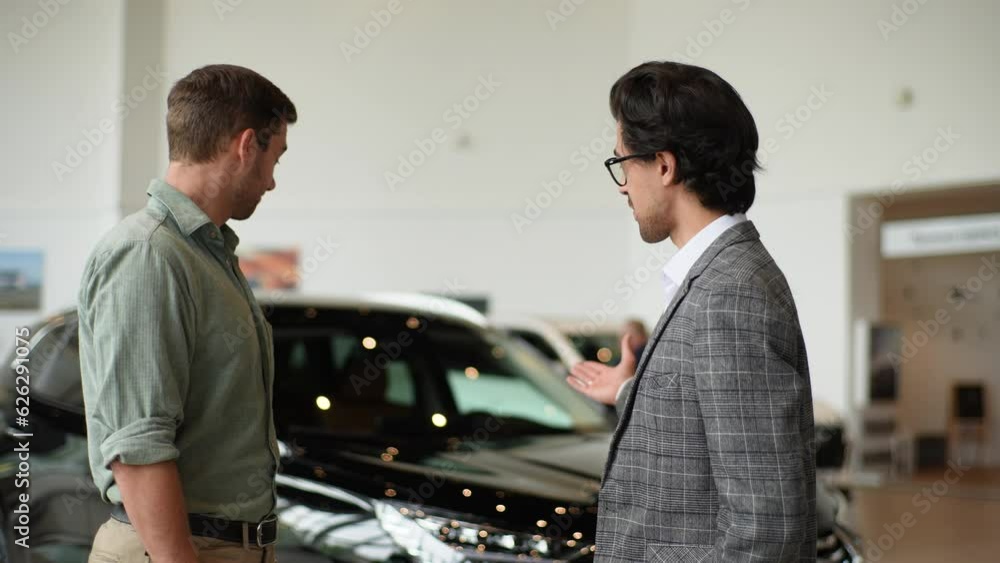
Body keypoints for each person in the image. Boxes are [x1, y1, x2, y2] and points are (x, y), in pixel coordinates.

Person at [567, 61, 816, 562]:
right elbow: (710, 419)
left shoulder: (732, 295)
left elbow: (767, 528)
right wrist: (628, 391)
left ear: (663, 165)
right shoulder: (718, 277)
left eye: (623, 163)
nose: (621, 184)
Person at [78, 64, 296, 563]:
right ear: (246, 146)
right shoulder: (149, 254)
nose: (272, 182)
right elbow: (137, 445)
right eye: (275, 158)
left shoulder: (207, 255)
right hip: (174, 550)